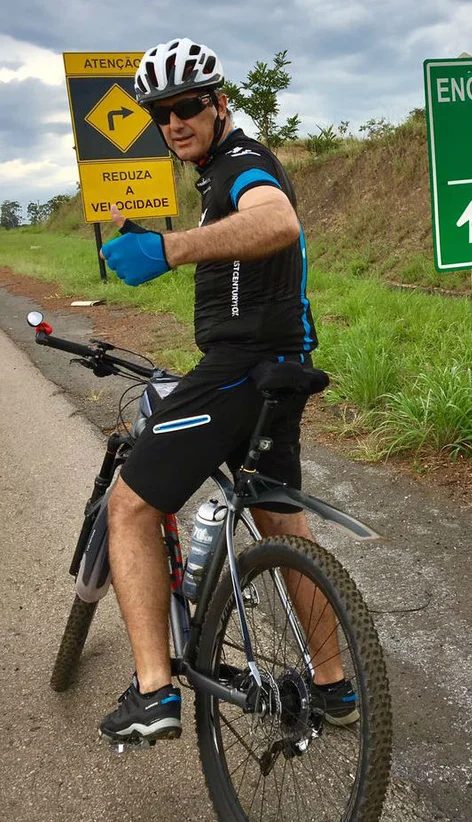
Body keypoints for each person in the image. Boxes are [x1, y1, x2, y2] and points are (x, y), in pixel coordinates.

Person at [97, 37, 357, 743]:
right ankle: (336, 686)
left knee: (128, 508)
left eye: (186, 107)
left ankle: (153, 692)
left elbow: (277, 221)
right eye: (161, 114)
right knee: (282, 525)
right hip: (279, 372)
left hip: (240, 371)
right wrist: (162, 239)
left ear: (219, 103)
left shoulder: (244, 162)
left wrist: (170, 249)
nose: (174, 123)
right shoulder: (217, 175)